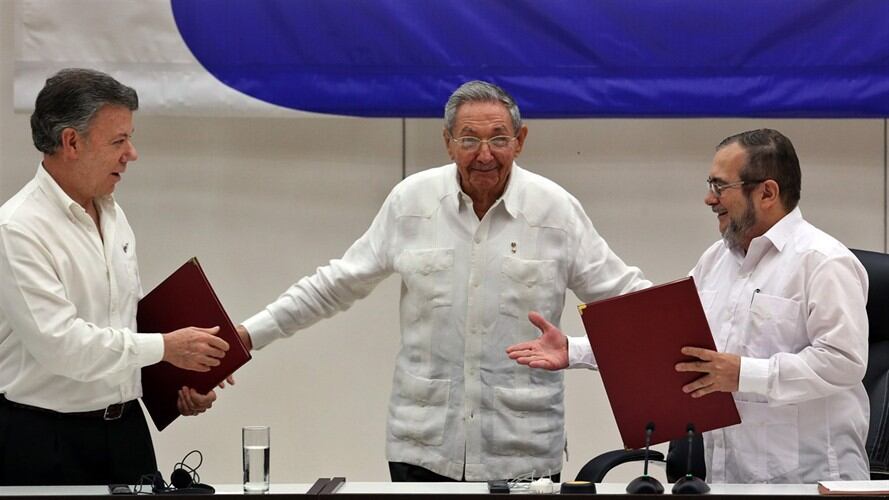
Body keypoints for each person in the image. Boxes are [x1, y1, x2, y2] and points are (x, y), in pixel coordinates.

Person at [236, 80, 649, 482]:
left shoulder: (555, 211)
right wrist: (248, 336)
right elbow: (336, 284)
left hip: (524, 451)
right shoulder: (411, 203)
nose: (484, 154)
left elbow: (634, 303)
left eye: (498, 139)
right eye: (469, 139)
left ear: (520, 141)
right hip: (423, 446)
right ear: (448, 142)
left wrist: (678, 335)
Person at [507, 128, 870, 483]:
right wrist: (575, 350)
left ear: (767, 192)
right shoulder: (716, 260)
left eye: (720, 187)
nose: (709, 199)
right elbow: (668, 344)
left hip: (812, 481)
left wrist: (744, 373)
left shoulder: (823, 262)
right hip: (728, 478)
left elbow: (844, 362)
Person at [0, 68, 232, 486]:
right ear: (71, 142)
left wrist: (178, 382)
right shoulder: (17, 229)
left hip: (126, 432)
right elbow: (61, 345)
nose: (132, 154)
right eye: (118, 141)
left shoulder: (112, 212)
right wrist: (167, 347)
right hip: (46, 440)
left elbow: (127, 321)